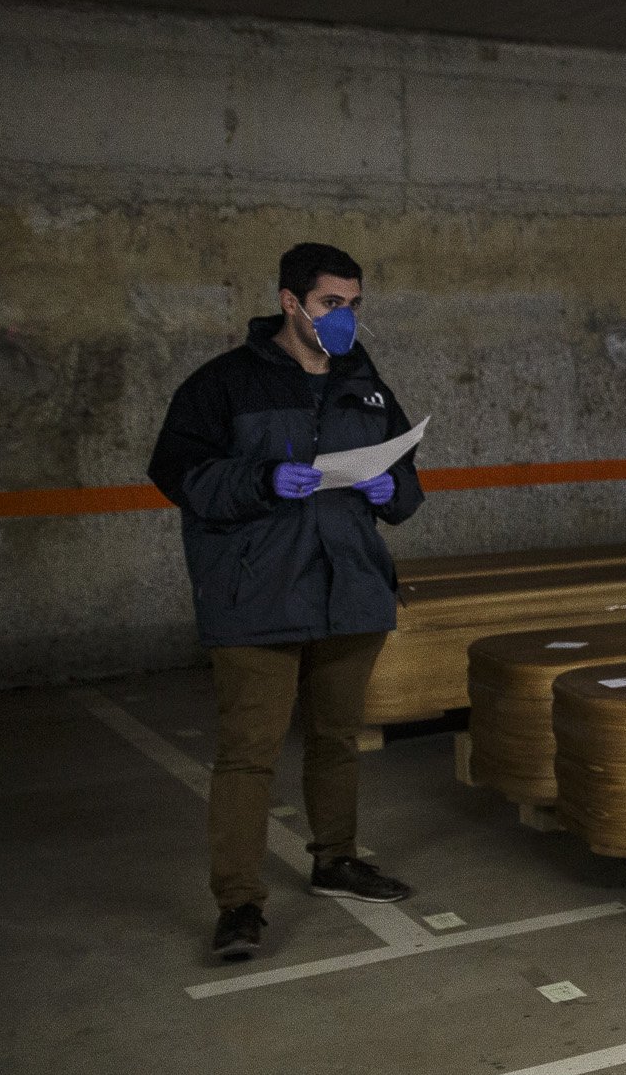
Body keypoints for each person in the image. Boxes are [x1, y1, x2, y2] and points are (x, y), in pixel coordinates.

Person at [148, 242, 425, 962]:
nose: (345, 318)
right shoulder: (224, 385)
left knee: (336, 740)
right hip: (257, 595)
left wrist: (394, 492)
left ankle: (335, 859)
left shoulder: (364, 383)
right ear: (290, 303)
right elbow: (177, 472)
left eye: (354, 304)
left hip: (348, 587)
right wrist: (263, 480)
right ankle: (239, 904)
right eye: (332, 303)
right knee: (248, 756)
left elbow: (406, 476)